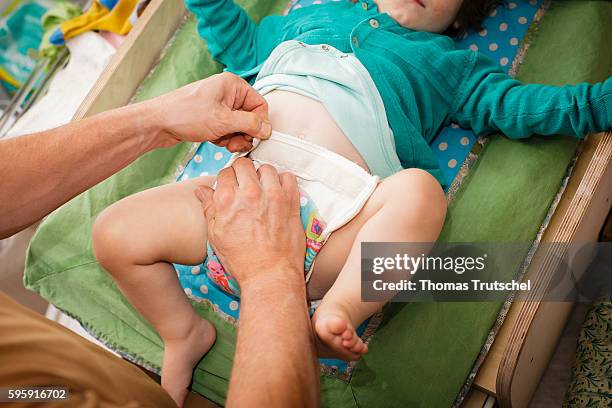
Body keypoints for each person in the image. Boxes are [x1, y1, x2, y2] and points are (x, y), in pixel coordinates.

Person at [91, 0, 612, 405]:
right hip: (239, 199)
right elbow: (235, 43)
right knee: (113, 231)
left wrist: (598, 103)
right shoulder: (311, 16)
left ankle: (338, 308)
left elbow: (527, 107)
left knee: (420, 194)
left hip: (335, 223)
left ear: (464, 14)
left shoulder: (451, 64)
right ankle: (183, 330)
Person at [0, 73, 319, 406]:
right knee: (117, 235)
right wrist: (270, 274)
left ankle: (183, 333)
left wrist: (346, 305)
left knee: (377, 255)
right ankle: (184, 332)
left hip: (312, 201)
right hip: (260, 204)